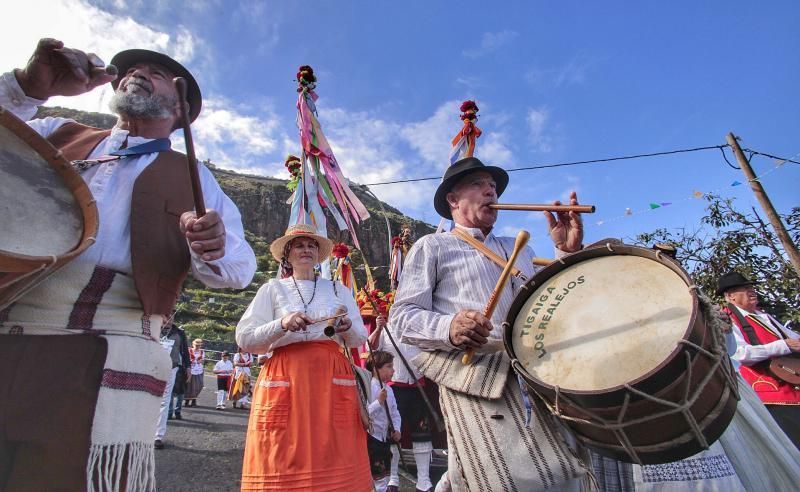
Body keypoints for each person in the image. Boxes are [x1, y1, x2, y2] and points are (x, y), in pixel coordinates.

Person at [0, 39, 256, 491]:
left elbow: (238, 270)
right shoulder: (53, 130)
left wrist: (210, 246)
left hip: (109, 345)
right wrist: (26, 88)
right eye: (133, 68)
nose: (139, 71)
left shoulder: (196, 176)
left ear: (180, 109)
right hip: (10, 322)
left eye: (156, 73)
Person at [389, 156, 588, 491]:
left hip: (535, 375)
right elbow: (402, 317)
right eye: (479, 185)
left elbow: (550, 307)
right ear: (453, 199)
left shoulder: (517, 247)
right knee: (496, 478)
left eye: (493, 186)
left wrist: (566, 254)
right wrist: (450, 328)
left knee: (563, 472)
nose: (490, 191)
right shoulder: (433, 246)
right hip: (475, 380)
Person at [236, 223, 372, 491]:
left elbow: (358, 339)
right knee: (282, 449)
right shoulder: (272, 289)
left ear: (319, 254)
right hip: (285, 376)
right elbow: (245, 338)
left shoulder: (338, 290)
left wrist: (346, 327)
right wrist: (282, 323)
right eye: (299, 244)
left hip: (331, 377)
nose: (306, 249)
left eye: (311, 245)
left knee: (335, 446)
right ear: (287, 254)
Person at [719, 271, 800, 446]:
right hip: (771, 395)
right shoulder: (728, 320)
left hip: (793, 384)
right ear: (730, 296)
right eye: (745, 288)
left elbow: (792, 337)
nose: (752, 291)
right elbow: (740, 354)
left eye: (752, 287)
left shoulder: (763, 315)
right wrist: (784, 346)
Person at [369, 316, 440, 492]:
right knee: (392, 433)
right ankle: (393, 479)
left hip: (418, 387)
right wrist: (378, 328)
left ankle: (424, 480)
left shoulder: (421, 323)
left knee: (421, 432)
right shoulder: (386, 325)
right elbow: (371, 347)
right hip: (395, 389)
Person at [366, 350, 402, 492]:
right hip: (371, 437)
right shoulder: (369, 386)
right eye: (389, 366)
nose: (393, 370)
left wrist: (397, 429)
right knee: (378, 477)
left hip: (383, 437)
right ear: (376, 368)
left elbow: (394, 412)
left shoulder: (389, 390)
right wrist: (379, 402)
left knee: (384, 475)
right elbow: (364, 413)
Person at [155, 321, 190, 449]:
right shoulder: (153, 327)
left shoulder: (179, 333)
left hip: (172, 368)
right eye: (166, 314)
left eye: (171, 314)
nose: (168, 318)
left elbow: (184, 352)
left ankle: (158, 436)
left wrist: (188, 367)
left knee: (164, 400)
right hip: (152, 367)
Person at [185, 338, 206, 407]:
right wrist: (191, 361)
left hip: (199, 370)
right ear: (193, 344)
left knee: (198, 385)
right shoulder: (189, 350)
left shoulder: (202, 352)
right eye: (196, 345)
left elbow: (203, 361)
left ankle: (194, 400)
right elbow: (186, 359)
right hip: (190, 370)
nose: (197, 347)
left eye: (199, 345)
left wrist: (201, 361)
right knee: (189, 386)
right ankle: (187, 401)